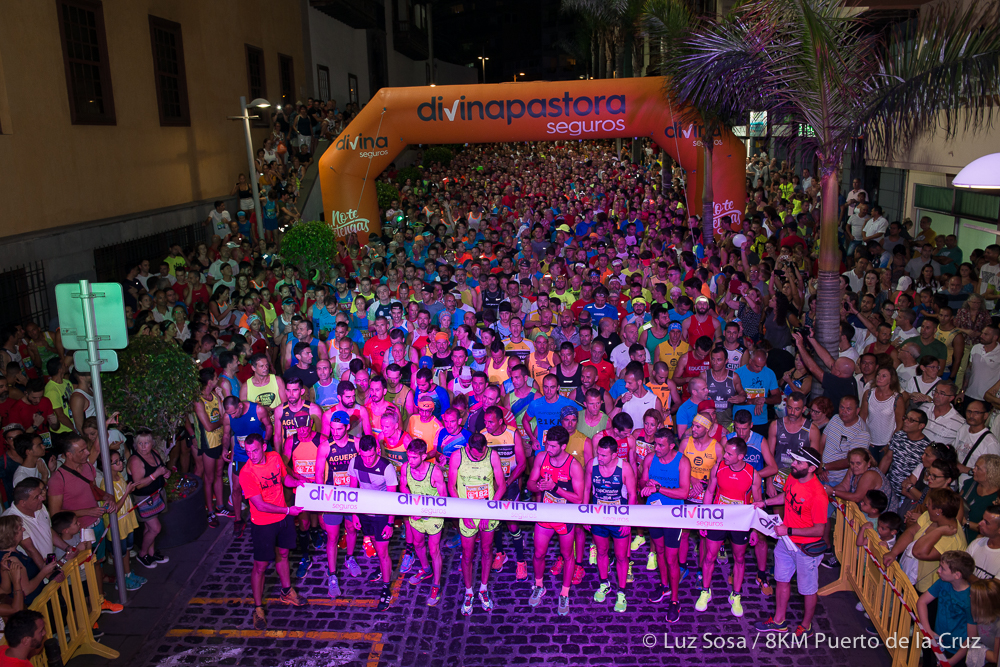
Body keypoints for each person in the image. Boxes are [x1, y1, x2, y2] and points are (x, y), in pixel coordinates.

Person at [754, 446, 829, 637]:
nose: (793, 464)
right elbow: (786, 497)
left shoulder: (818, 495)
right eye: (794, 460)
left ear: (811, 468)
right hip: (785, 543)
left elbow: (819, 529)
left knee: (807, 589)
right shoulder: (792, 477)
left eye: (798, 462)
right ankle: (779, 621)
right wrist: (765, 503)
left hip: (805, 548)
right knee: (781, 581)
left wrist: (788, 529)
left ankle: (806, 625)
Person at [239, 433, 307, 629]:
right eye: (248, 452)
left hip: (282, 519)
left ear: (264, 446)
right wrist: (288, 510)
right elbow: (260, 505)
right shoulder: (247, 473)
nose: (251, 455)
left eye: (255, 450)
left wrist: (297, 483)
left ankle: (287, 591)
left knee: (283, 555)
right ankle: (258, 608)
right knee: (260, 566)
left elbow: (284, 480)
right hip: (263, 523)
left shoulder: (275, 458)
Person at [699, 437, 762, 618]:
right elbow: (710, 492)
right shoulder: (718, 468)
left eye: (729, 453)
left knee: (739, 558)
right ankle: (705, 591)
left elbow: (757, 503)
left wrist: (755, 530)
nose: (724, 456)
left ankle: (736, 595)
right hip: (718, 519)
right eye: (725, 452)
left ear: (741, 456)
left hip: (740, 522)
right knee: (710, 556)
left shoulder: (753, 475)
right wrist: (704, 520)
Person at [526, 425, 584, 616]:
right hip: (545, 514)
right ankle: (539, 585)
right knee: (539, 553)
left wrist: (555, 487)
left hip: (565, 517)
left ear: (563, 446)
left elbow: (579, 498)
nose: (548, 449)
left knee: (567, 556)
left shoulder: (573, 466)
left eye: (552, 446)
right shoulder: (541, 457)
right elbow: (530, 483)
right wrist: (540, 486)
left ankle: (565, 593)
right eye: (547, 445)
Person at [449, 432, 507, 615]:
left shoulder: (493, 455)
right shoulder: (457, 456)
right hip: (466, 512)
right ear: (468, 449)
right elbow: (451, 486)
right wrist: (463, 512)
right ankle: (468, 591)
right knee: (467, 554)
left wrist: (488, 514)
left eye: (482, 454)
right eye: (476, 455)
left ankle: (483, 588)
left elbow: (501, 485)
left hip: (487, 511)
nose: (479, 457)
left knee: (487, 550)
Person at [639, 428, 690, 623]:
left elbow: (684, 493)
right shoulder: (650, 459)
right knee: (659, 551)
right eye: (655, 444)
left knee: (671, 558)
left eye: (660, 445)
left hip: (673, 516)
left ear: (671, 446)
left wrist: (659, 487)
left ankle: (675, 600)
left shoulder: (682, 462)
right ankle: (664, 584)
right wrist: (646, 485)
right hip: (654, 512)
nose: (656, 448)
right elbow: (642, 481)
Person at [584, 435, 636, 613]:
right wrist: (585, 514)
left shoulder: (625, 468)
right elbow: (586, 489)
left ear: (614, 455)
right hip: (599, 517)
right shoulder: (592, 465)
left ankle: (621, 592)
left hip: (619, 518)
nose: (600, 458)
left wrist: (628, 521)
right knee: (602, 552)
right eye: (598, 454)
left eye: (604, 455)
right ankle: (604, 583)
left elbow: (632, 495)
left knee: (621, 557)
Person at [348, 434, 397, 612]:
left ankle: (386, 587)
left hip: (382, 514)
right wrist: (354, 514)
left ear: (377, 450)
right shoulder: (355, 462)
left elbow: (393, 499)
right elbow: (353, 490)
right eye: (364, 456)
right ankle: (384, 570)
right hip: (364, 512)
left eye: (371, 456)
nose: (367, 461)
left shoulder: (387, 467)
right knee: (376, 545)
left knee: (383, 552)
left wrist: (390, 523)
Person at [399, 438, 447, 606]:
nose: (409, 461)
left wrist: (424, 511)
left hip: (433, 516)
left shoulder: (435, 472)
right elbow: (403, 487)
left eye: (413, 458)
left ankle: (436, 584)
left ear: (424, 456)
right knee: (418, 544)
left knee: (434, 550)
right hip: (415, 515)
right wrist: (413, 505)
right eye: (408, 457)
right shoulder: (406, 468)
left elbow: (443, 499)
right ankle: (426, 569)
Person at [916, 551, 977, 667]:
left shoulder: (970, 599)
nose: (938, 571)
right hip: (938, 642)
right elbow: (922, 601)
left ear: (957, 575)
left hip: (956, 651)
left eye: (942, 569)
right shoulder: (943, 583)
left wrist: (953, 660)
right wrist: (928, 630)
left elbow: (972, 636)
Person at [221, 396, 272, 534]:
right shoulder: (228, 417)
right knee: (236, 487)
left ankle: (267, 515)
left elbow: (268, 426)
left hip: (259, 453)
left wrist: (265, 442)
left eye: (233, 412)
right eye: (229, 413)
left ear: (240, 406)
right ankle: (238, 519)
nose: (232, 416)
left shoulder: (258, 410)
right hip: (241, 454)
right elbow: (226, 435)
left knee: (264, 485)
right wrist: (225, 448)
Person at [127, 428, 170, 569]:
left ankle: (151, 553)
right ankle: (143, 554)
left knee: (149, 527)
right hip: (144, 499)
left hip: (156, 495)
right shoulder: (135, 460)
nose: (143, 447)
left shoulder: (155, 453)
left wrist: (166, 473)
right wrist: (156, 475)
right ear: (135, 445)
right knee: (155, 528)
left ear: (152, 444)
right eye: (140, 443)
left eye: (146, 443)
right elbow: (138, 485)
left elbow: (162, 469)